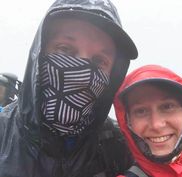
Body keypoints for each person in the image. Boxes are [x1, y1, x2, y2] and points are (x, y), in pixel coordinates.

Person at [0, 0, 138, 176]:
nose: (82, 75)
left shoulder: (120, 147)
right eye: (65, 50)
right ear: (40, 53)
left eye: (99, 61)